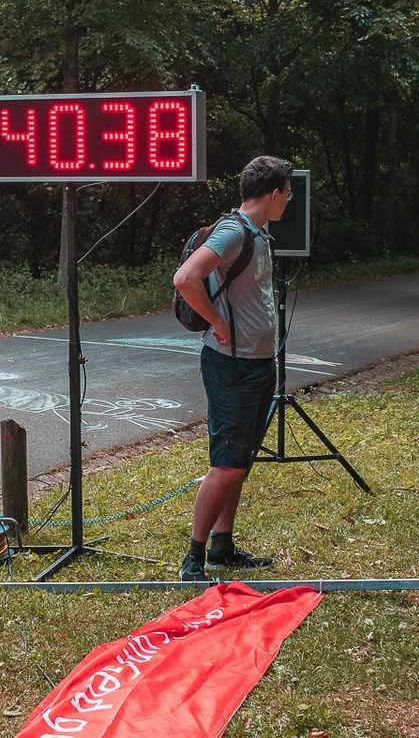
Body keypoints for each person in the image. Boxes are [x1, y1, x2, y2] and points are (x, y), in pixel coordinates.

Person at [170, 155, 293, 582]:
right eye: (288, 192)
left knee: (239, 461)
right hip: (232, 367)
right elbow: (185, 278)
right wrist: (219, 322)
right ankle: (194, 558)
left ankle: (223, 546)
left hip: (258, 364)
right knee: (226, 463)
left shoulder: (259, 233)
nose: (289, 201)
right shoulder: (233, 231)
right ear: (275, 193)